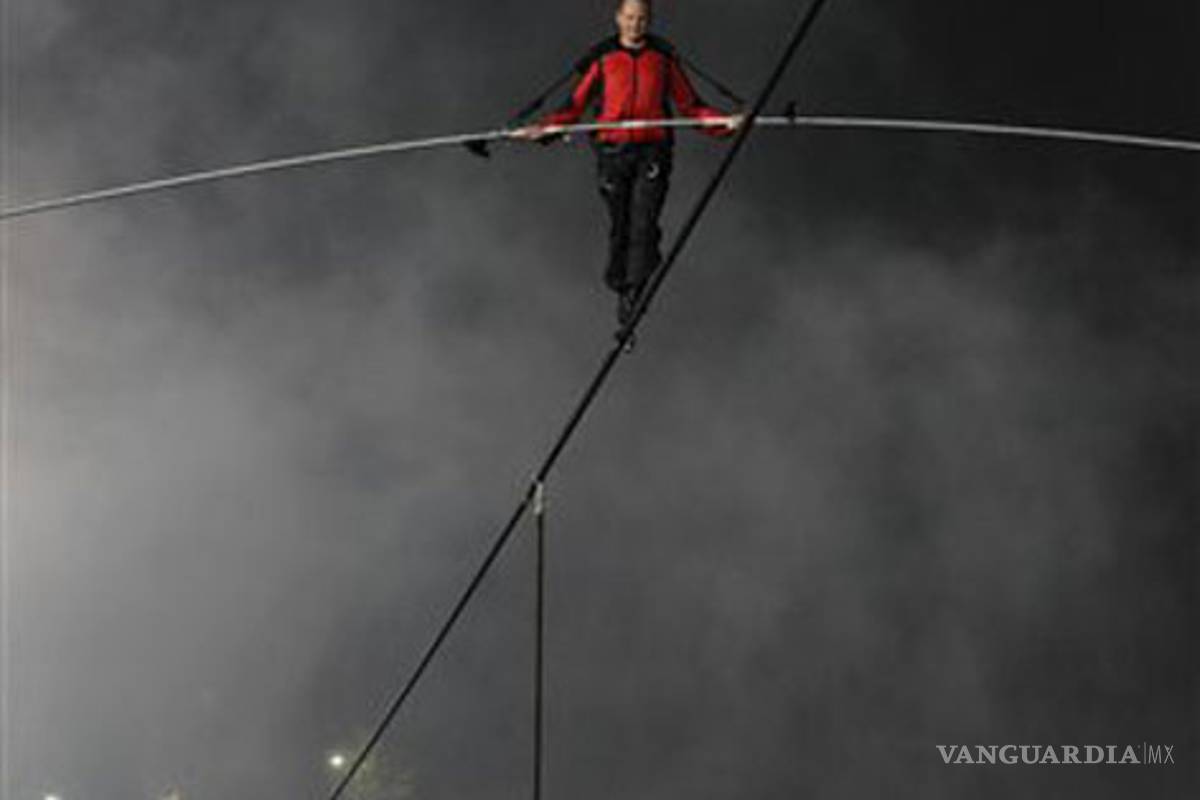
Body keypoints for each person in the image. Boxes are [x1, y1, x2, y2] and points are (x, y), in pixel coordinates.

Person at [512, 0, 742, 335]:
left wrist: (726, 123)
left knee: (644, 223)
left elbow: (691, 106)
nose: (635, 25)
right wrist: (541, 130)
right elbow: (573, 107)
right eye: (630, 18)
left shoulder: (662, 59)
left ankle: (635, 288)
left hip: (652, 151)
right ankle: (623, 288)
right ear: (618, 18)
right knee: (622, 226)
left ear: (649, 21)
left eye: (642, 19)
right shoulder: (603, 59)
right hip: (613, 153)